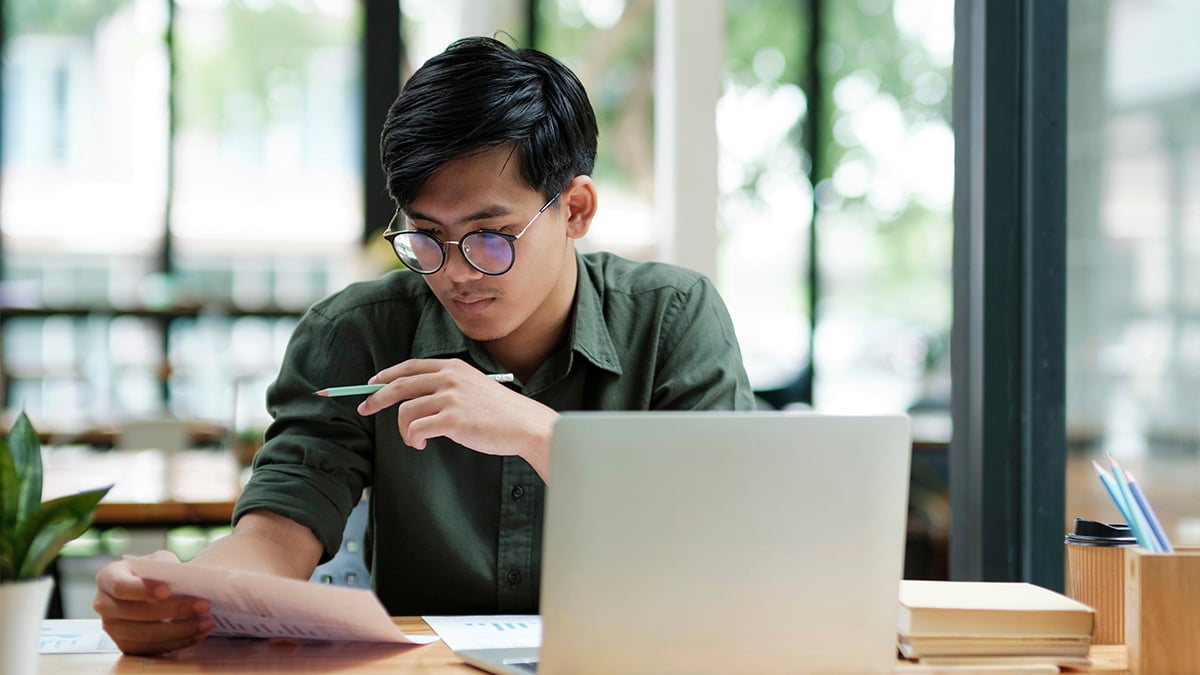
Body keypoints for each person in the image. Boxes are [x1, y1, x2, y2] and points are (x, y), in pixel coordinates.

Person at [93, 35, 755, 655]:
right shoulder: (356, 333)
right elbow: (274, 534)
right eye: (427, 236)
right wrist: (180, 592)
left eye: (491, 234)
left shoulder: (673, 319)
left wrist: (541, 435)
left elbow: (722, 537)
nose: (456, 271)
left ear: (575, 209)